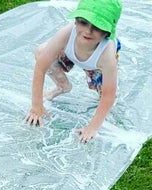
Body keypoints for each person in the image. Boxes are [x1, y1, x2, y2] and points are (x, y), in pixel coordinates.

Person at [24, 0, 122, 143]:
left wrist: (93, 127)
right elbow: (41, 65)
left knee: (104, 97)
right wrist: (36, 106)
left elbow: (109, 95)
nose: (88, 31)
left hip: (96, 65)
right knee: (41, 52)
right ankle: (62, 86)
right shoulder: (67, 34)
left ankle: (96, 82)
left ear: (108, 31)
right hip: (71, 52)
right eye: (83, 22)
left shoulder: (106, 55)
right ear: (75, 21)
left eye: (97, 26)